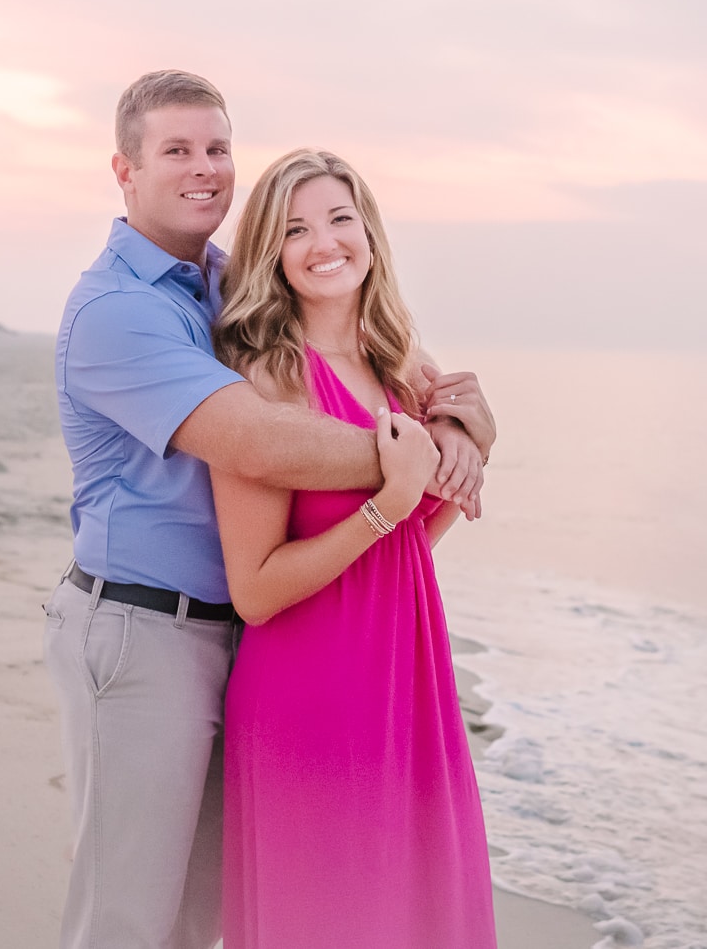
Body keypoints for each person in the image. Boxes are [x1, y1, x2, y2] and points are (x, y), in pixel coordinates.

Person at [44, 72, 495, 949]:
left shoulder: (221, 283)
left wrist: (456, 428)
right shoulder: (117, 310)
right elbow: (256, 441)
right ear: (124, 168)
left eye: (217, 148)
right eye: (175, 149)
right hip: (143, 633)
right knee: (129, 918)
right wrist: (411, 460)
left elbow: (393, 365)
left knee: (205, 911)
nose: (204, 168)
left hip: (243, 637)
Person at [210, 149, 497, 949]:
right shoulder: (264, 381)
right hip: (311, 695)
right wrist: (388, 505)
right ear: (272, 252)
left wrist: (473, 446)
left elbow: (407, 547)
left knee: (413, 917)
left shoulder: (406, 372)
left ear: (369, 232)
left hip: (409, 682)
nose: (323, 241)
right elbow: (256, 590)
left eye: (340, 217)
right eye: (295, 228)